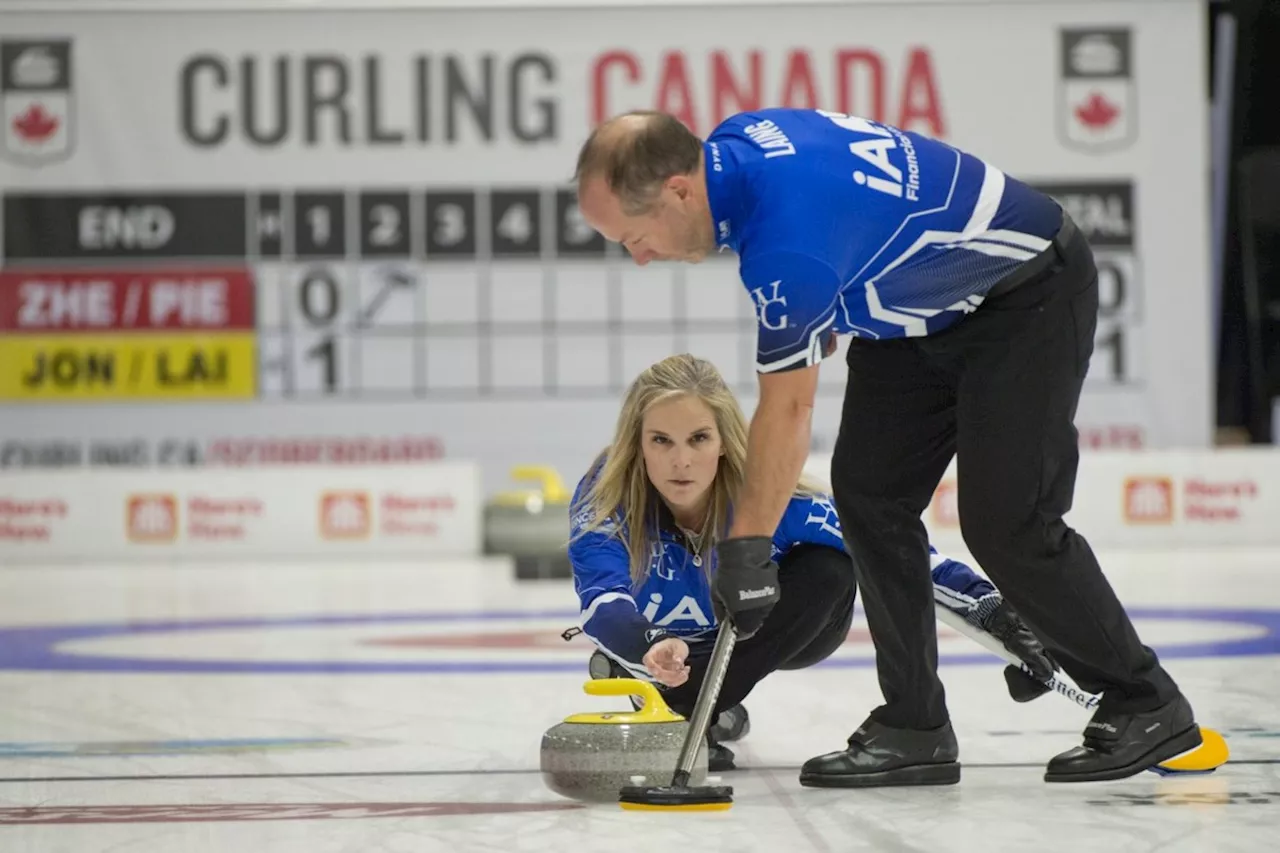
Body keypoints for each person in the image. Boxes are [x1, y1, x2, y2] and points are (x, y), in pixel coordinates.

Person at [572, 108, 1201, 787]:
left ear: (678, 191)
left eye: (633, 238)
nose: (637, 257)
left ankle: (1148, 702)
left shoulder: (786, 245)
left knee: (1008, 523)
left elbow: (787, 410)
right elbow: (853, 227)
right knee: (869, 496)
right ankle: (914, 724)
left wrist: (745, 549)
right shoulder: (733, 152)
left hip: (1024, 294)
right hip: (914, 310)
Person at [567, 353, 1054, 772]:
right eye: (661, 441)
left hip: (768, 635)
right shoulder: (607, 498)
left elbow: (898, 554)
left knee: (831, 566)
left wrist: (999, 616)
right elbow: (602, 600)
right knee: (639, 646)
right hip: (662, 648)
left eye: (698, 439)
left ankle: (690, 708)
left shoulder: (770, 498)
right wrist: (647, 644)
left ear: (723, 441)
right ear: (637, 443)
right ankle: (704, 702)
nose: (681, 462)